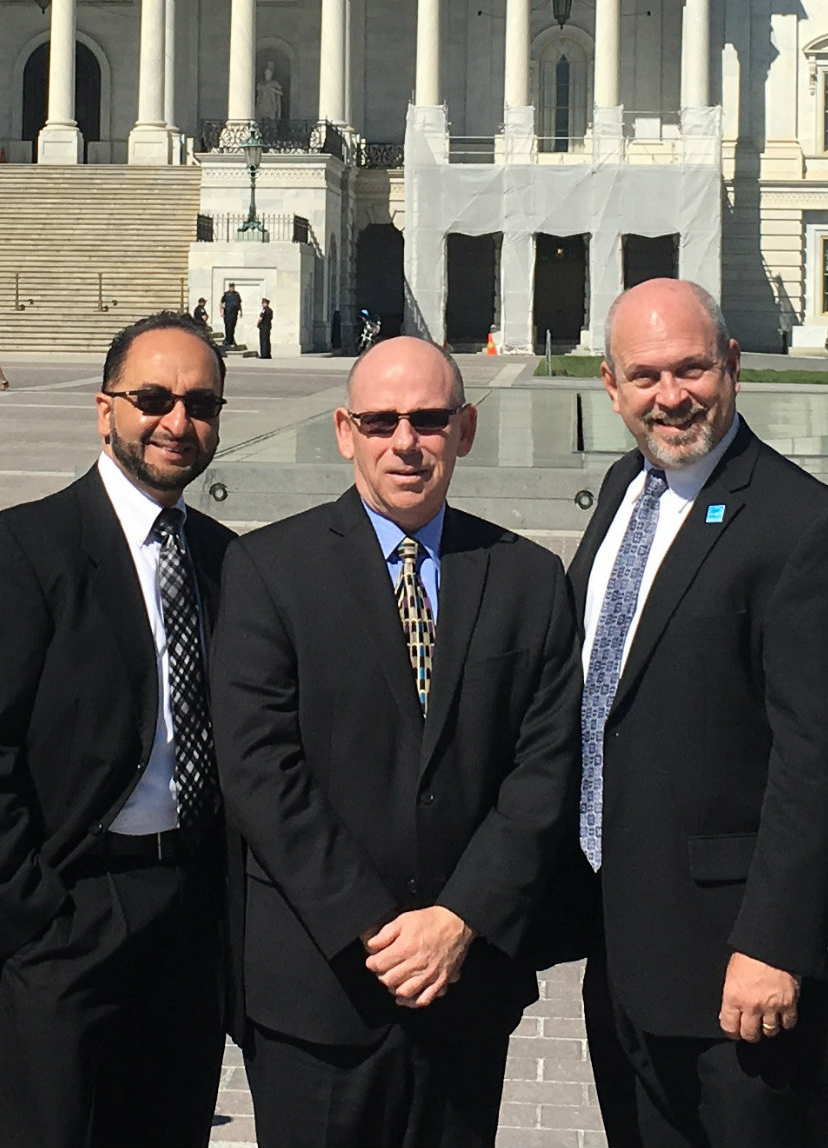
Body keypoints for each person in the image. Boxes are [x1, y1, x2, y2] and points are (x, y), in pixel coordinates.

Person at [209, 336, 578, 1148]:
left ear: (466, 430)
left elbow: (543, 770)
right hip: (321, 985)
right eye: (381, 421)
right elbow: (260, 770)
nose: (405, 442)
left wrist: (458, 919)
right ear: (345, 431)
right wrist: (377, 927)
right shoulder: (269, 568)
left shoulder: (526, 578)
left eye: (429, 420)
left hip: (466, 983)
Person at [0, 311, 237, 1148]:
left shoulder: (224, 557)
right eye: (154, 398)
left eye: (201, 403)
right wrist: (31, 915)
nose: (178, 421)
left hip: (190, 914)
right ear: (106, 410)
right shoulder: (25, 547)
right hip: (72, 906)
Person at [569, 278, 828, 1148]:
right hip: (626, 943)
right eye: (647, 375)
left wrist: (777, 945)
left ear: (732, 366)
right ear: (611, 385)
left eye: (693, 368)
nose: (673, 397)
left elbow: (819, 761)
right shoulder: (627, 491)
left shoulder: (801, 525)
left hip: (739, 962)